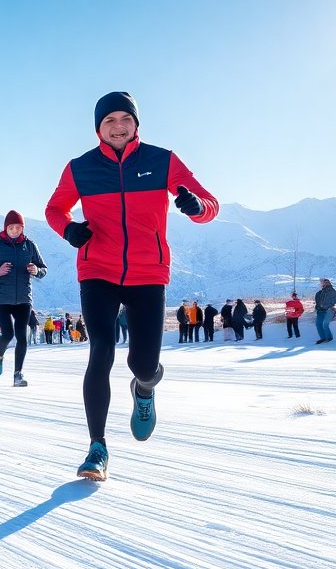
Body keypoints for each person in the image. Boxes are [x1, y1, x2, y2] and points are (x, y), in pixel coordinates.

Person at [45, 91, 218, 481]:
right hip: (98, 271)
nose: (118, 126)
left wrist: (197, 208)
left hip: (147, 274)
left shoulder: (163, 160)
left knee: (141, 363)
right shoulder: (80, 168)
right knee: (101, 349)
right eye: (110, 121)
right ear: (98, 129)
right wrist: (69, 229)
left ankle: (144, 388)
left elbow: (209, 201)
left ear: (136, 124)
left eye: (125, 119)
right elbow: (54, 209)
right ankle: (97, 447)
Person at [0, 210, 47, 387]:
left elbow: (43, 269)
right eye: (11, 227)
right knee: (7, 334)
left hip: (24, 297)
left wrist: (36, 271)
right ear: (5, 228)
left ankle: (18, 374)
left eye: (18, 227)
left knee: (22, 336)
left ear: (22, 228)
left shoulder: (30, 246)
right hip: (1, 298)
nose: (15, 230)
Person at [315, 278, 336, 344]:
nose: (325, 283)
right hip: (320, 310)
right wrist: (317, 308)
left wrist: (329, 306)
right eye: (324, 282)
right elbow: (317, 301)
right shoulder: (319, 292)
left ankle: (329, 337)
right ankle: (323, 338)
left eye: (327, 282)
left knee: (325, 324)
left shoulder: (332, 291)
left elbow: (335, 299)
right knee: (318, 324)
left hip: (329, 309)